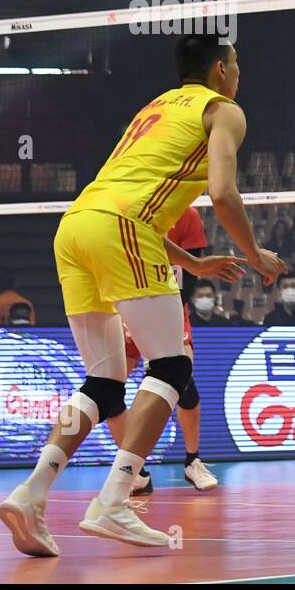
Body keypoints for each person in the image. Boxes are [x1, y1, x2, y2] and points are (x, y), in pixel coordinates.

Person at [0, 34, 284, 556]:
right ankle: (115, 498)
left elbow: (128, 199)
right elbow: (222, 193)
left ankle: (30, 492)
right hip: (122, 229)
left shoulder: (152, 107)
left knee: (104, 384)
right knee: (172, 367)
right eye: (237, 64)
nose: (239, 74)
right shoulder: (224, 110)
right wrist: (256, 253)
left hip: (76, 227)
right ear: (221, 69)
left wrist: (193, 262)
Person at [125, 206, 218, 494]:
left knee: (182, 380)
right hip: (124, 302)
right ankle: (134, 471)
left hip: (170, 303)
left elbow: (190, 275)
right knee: (108, 386)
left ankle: (193, 461)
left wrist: (164, 316)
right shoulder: (125, 210)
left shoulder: (186, 214)